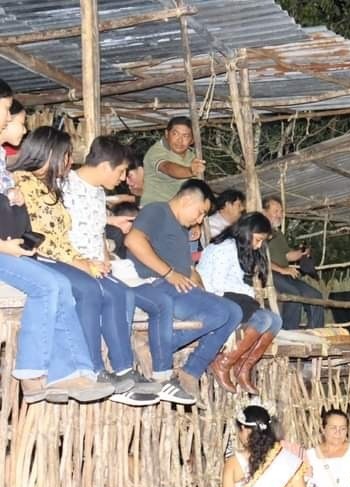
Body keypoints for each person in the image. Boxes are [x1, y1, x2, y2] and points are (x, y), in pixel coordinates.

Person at [13, 129, 160, 406]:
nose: (69, 162)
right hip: (55, 259)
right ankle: (91, 368)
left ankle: (123, 369)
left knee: (122, 293)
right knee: (91, 291)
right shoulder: (50, 185)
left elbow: (90, 231)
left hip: (76, 258)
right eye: (67, 156)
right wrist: (81, 262)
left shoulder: (63, 188)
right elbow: (48, 238)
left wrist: (104, 258)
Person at [0, 80, 115, 404]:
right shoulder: (22, 175)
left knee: (60, 285)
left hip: (14, 248)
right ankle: (31, 373)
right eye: (9, 111)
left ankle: (73, 372)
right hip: (7, 250)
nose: (12, 121)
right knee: (51, 286)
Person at [125, 179, 243, 401]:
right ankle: (157, 344)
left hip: (179, 286)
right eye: (200, 213)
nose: (199, 220)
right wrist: (169, 273)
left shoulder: (180, 229)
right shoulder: (157, 211)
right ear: (187, 199)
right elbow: (133, 240)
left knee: (234, 312)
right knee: (217, 313)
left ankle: (191, 371)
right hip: (156, 283)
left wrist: (205, 292)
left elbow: (187, 269)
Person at [197, 212, 282, 394]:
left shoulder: (236, 248)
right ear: (247, 231)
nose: (258, 245)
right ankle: (224, 362)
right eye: (257, 239)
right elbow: (216, 285)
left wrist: (246, 292)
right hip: (211, 297)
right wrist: (246, 293)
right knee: (263, 320)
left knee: (276, 321)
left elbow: (236, 283)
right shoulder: (224, 248)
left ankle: (243, 368)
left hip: (228, 296)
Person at [263, 195, 325, 330]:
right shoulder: (259, 231)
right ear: (264, 212)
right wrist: (282, 270)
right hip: (269, 273)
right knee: (293, 294)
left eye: (281, 211)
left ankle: (316, 332)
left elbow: (287, 255)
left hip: (285, 274)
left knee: (316, 296)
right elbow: (260, 259)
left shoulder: (278, 234)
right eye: (276, 211)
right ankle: (290, 331)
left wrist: (301, 253)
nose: (280, 215)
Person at [140, 116, 206, 205]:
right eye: (175, 134)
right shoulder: (157, 151)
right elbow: (167, 168)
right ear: (167, 134)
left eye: (185, 136)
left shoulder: (193, 156)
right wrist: (190, 170)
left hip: (179, 211)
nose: (179, 140)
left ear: (192, 140)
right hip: (155, 209)